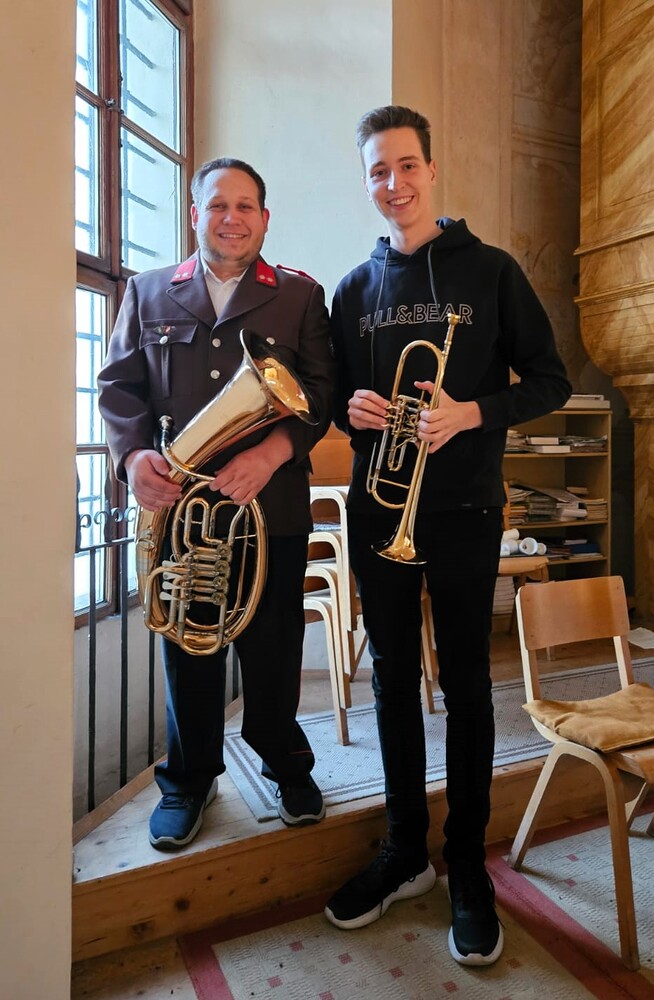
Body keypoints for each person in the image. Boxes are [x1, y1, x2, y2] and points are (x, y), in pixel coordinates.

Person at [324, 106, 571, 965]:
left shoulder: (491, 270)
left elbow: (548, 380)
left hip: (464, 509)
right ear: (366, 182)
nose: (393, 183)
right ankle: (404, 853)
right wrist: (351, 410)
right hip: (380, 510)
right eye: (377, 171)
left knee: (466, 686)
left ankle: (466, 863)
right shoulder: (352, 290)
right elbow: (339, 397)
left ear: (430, 170)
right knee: (392, 683)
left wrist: (470, 412)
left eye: (405, 166)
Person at [98, 157, 334, 849]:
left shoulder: (299, 294)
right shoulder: (147, 292)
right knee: (189, 649)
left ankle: (285, 764)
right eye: (218, 205)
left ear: (264, 218)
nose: (232, 218)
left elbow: (320, 395)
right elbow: (118, 390)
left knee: (274, 648)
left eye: (245, 206)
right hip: (182, 508)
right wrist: (132, 458)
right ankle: (189, 781)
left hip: (272, 505)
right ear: (194, 214)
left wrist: (270, 454)